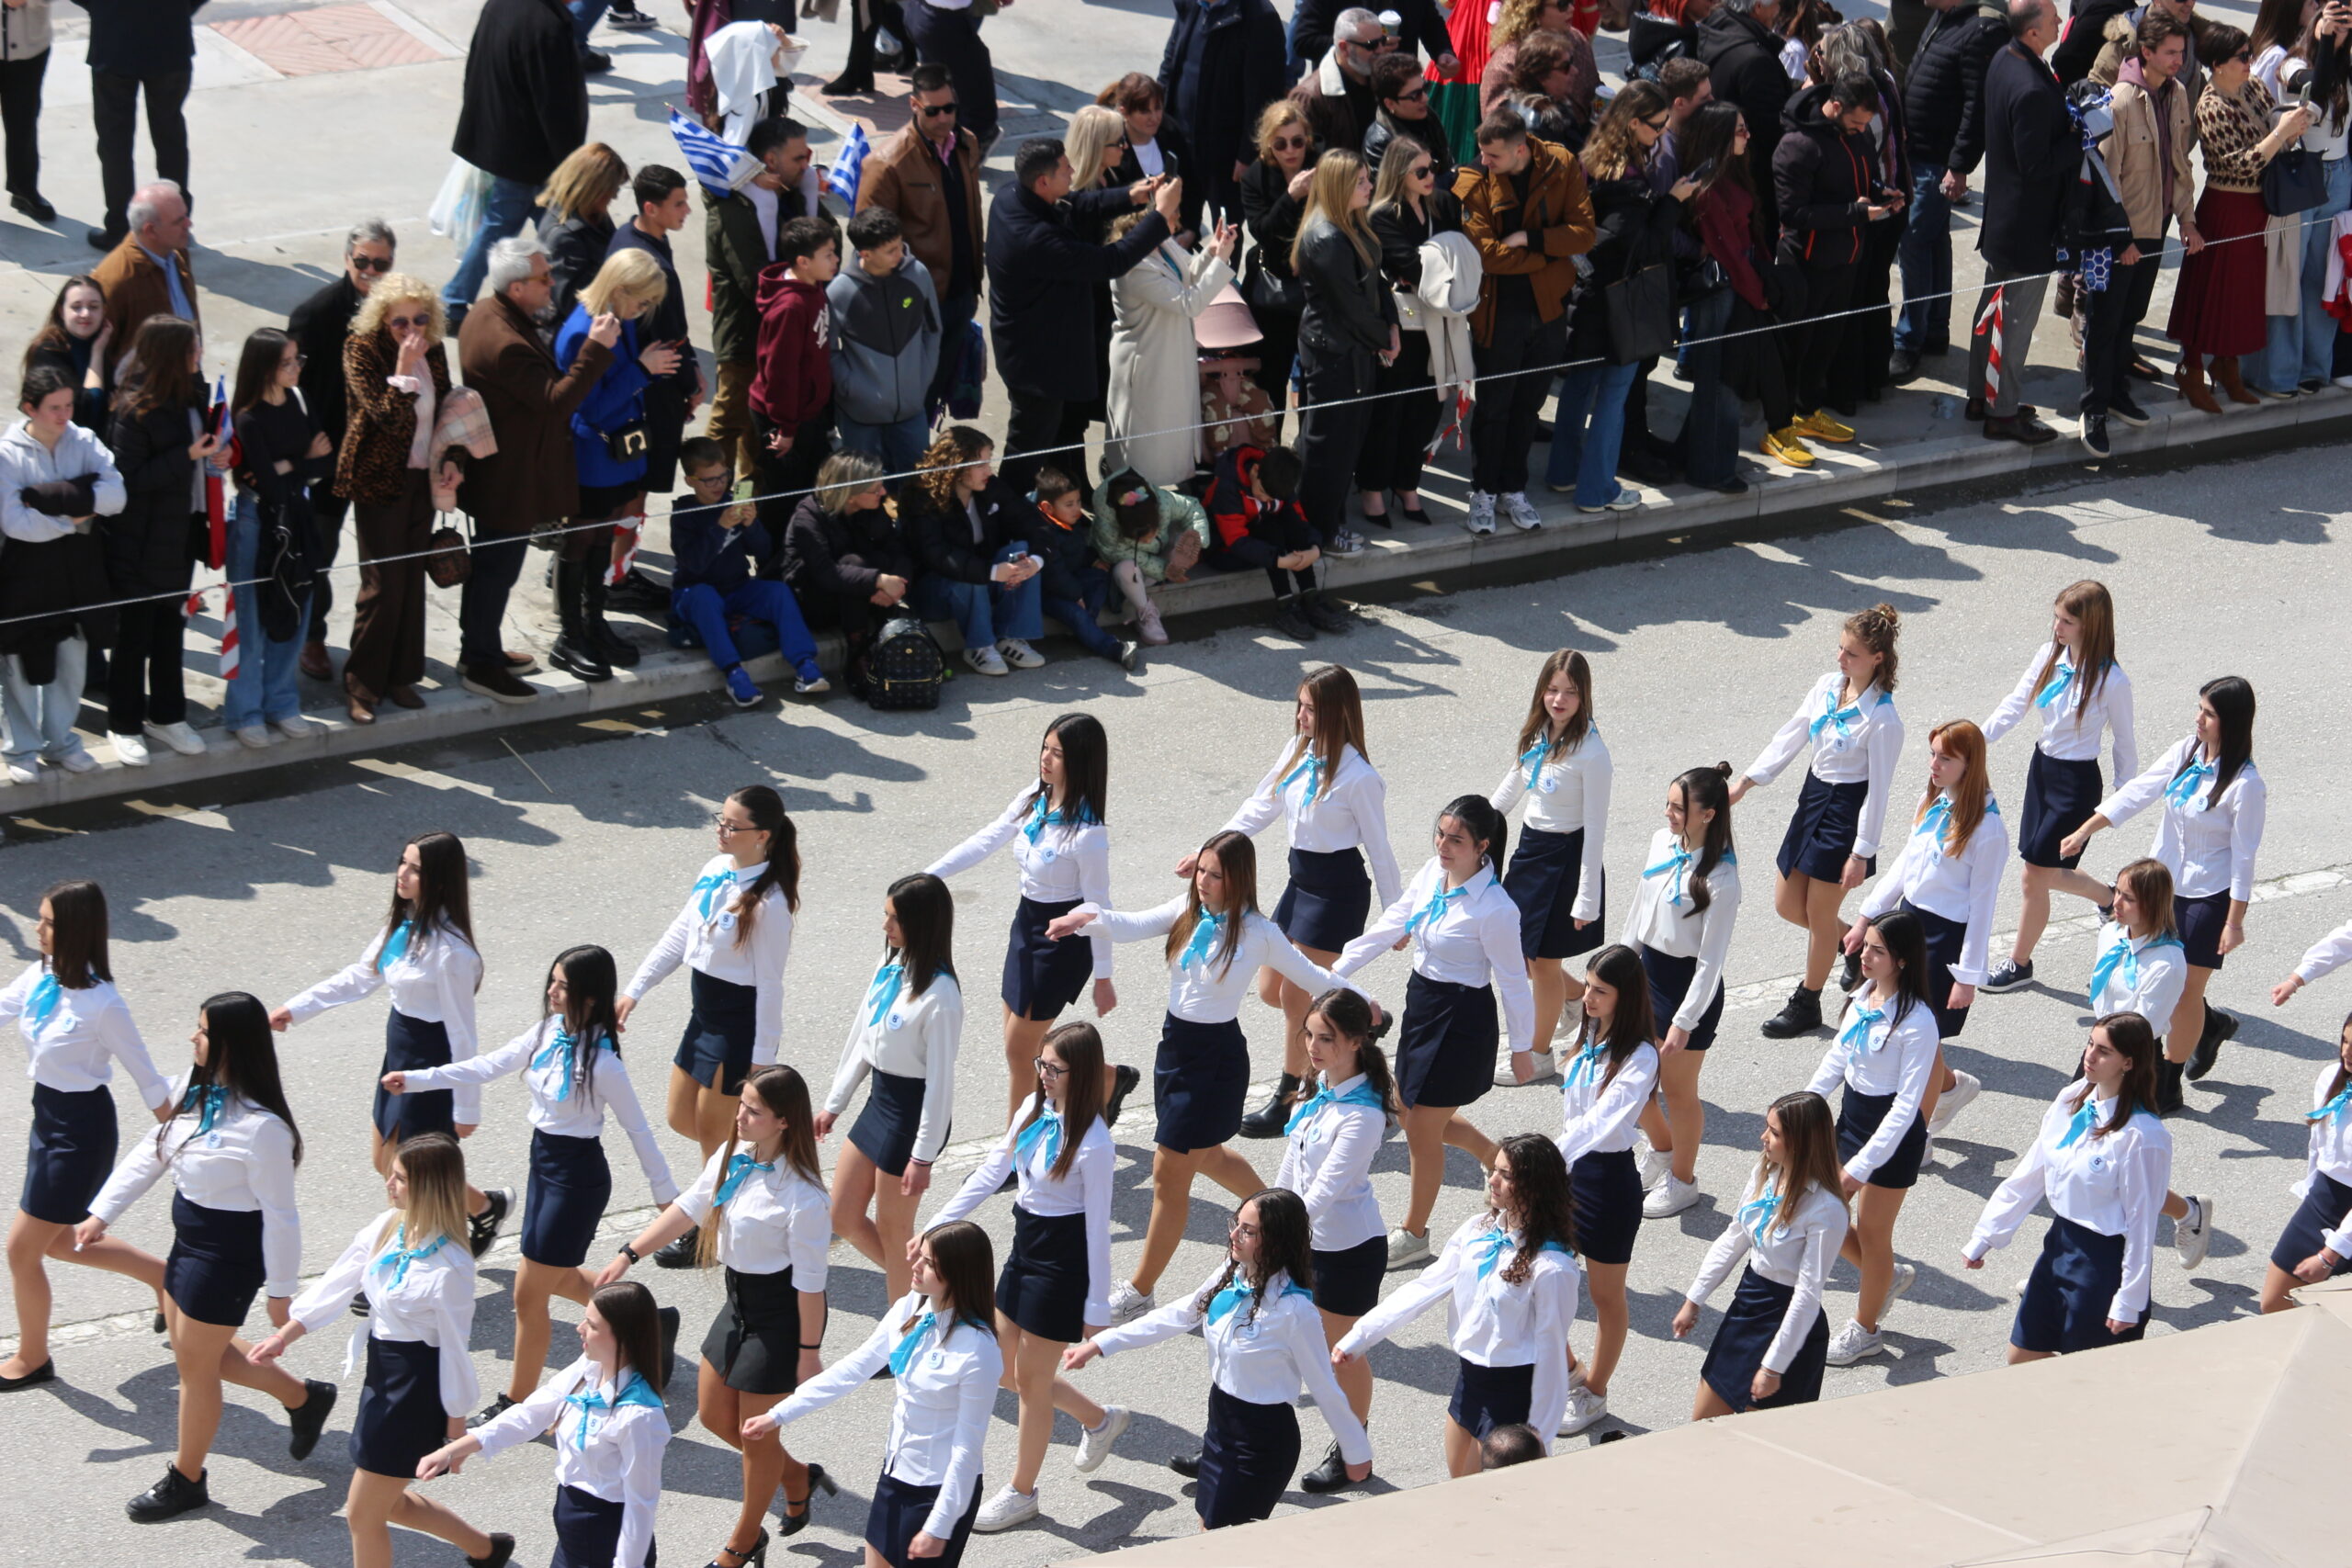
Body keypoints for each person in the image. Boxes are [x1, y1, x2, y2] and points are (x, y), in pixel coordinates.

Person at [1043, 830, 1365, 1320]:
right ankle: (1286, 1218)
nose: (1204, 882)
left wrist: (1363, 1001)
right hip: (1174, 1050)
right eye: (1201, 871)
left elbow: (1313, 976)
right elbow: (1130, 922)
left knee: (1168, 1174)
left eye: (1215, 875)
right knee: (1209, 1156)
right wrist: (1087, 919)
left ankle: (1140, 1289)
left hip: (1215, 1061)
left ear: (1239, 880)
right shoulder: (1187, 911)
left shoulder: (1259, 931)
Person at [382, 945, 678, 1422]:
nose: (551, 991)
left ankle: (516, 1403)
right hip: (542, 1164)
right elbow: (488, 1065)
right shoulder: (547, 1032)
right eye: (553, 981)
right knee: (555, 1276)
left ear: (587, 994)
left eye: (563, 985)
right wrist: (417, 1079)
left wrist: (665, 1196)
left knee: (528, 1293)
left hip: (577, 1179)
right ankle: (648, 1326)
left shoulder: (604, 1064)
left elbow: (637, 1128)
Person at [79, 992, 334, 1521]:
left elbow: (282, 1218)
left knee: (197, 1370)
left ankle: (187, 1478)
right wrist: (102, 1213)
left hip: (226, 1257)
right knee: (207, 1356)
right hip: (187, 1241)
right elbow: (151, 1152)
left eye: (201, 1031)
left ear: (229, 1046)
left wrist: (281, 1294)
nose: (192, 1038)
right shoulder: (194, 1095)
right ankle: (304, 1399)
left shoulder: (264, 1130)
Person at [598, 1066, 834, 1566]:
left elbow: (810, 1288)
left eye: (752, 1110)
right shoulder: (735, 1159)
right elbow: (687, 1210)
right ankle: (794, 1475)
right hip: (739, 1303)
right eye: (742, 1103)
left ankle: (745, 1541)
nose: (740, 1116)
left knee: (755, 1437)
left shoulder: (806, 1198)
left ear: (784, 1122)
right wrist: (627, 1254)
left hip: (782, 1318)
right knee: (711, 1415)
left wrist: (808, 1355)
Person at [251, 1134, 511, 1568]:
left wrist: (455, 1433)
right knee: (388, 1504)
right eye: (392, 1174)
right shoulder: (390, 1225)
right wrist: (285, 1336)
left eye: (400, 1178)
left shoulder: (451, 1268)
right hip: (382, 1376)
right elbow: (342, 1278)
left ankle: (487, 1549)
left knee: (361, 1514)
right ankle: (486, 1549)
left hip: (415, 1391)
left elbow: (453, 1351)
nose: (388, 1183)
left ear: (428, 1188)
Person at [928, 1022, 1125, 1532]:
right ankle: (1099, 1419)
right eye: (1041, 1064)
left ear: (1079, 1075)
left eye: (1054, 1069)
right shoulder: (1033, 1109)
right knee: (1000, 1367)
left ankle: (1022, 1493)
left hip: (1061, 1267)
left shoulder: (1095, 1145)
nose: (1042, 1075)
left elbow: (1098, 1231)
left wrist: (1096, 1309)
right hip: (1023, 1250)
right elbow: (994, 1170)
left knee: (1031, 1385)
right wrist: (937, 1225)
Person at [271, 829, 510, 1248]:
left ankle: (400, 1262)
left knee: (408, 1176)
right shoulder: (403, 926)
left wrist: (466, 1105)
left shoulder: (453, 953)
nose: (402, 874)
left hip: (431, 1065)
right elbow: (361, 976)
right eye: (403, 862)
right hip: (398, 1053)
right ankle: (483, 1208)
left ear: (438, 880)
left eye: (415, 869)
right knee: (386, 1161)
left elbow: (461, 1034)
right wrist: (296, 1009)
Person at [1074, 1189, 1372, 1522]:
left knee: (1224, 1536)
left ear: (1276, 1240)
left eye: (1247, 1230)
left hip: (1262, 1439)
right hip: (1220, 1423)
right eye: (1236, 1223)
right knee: (1207, 1524)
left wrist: (1354, 1450)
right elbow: (1179, 1314)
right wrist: (1105, 1342)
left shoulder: (1295, 1311)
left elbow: (1324, 1387)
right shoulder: (1232, 1273)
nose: (1233, 1235)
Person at [1334, 795, 1534, 1267]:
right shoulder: (1431, 874)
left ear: (1482, 846)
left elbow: (1512, 981)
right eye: (1440, 834)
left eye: (1456, 839)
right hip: (1423, 1004)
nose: (1443, 845)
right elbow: (1391, 926)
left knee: (1421, 1128)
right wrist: (1330, 976)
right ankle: (1494, 1155)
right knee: (1408, 1111)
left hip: (1461, 1021)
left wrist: (1523, 1047)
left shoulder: (1496, 909)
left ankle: (1415, 1232)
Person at [1211, 665, 1404, 1138]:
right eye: (1299, 705)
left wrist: (1398, 917)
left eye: (1311, 708)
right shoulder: (1299, 752)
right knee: (1270, 989)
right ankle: (1364, 1015)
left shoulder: (1360, 777)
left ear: (1336, 713)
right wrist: (1214, 848)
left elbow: (1380, 849)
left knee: (1296, 994)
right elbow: (1262, 804)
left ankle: (1289, 1097)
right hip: (1301, 884)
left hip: (1338, 891)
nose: (1300, 716)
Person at [2059, 677, 2266, 1106]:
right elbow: (2140, 791)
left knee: (2185, 989)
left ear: (2231, 722)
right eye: (2200, 709)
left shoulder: (2246, 785)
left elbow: (2245, 859)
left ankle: (2169, 1082)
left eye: (2208, 713)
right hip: (2163, 888)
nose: (2198, 719)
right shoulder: (2185, 751)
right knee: (2157, 979)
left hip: (2208, 897)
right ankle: (2208, 1026)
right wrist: (2087, 828)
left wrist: (2234, 922)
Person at [0, 879, 172, 1393]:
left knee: (21, 1251)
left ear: (74, 930)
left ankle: (33, 1358)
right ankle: (163, 1277)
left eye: (48, 922)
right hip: (46, 1120)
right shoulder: (42, 975)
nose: (38, 929)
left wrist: (183, 1136)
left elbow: (147, 1076)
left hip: (81, 1133)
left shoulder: (103, 1004)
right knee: (57, 1243)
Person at [617, 786, 801, 1265]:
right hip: (703, 1018)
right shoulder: (716, 871)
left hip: (736, 1028)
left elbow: (770, 987)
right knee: (684, 1118)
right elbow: (680, 933)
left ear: (761, 836)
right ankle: (756, 1180)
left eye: (732, 825)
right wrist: (634, 990)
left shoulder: (769, 905)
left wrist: (761, 1063)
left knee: (715, 1140)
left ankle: (711, 1238)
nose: (721, 830)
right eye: (720, 820)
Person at [1337, 1134, 1578, 1473]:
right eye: (1494, 1170)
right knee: (1461, 1492)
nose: (1492, 1180)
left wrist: (1540, 1433)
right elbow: (1425, 1287)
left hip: (1515, 1395)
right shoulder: (1476, 1231)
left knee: (1509, 1504)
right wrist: (1358, 1338)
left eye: (1507, 1175)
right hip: (1469, 1381)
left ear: (1536, 1187)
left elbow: (1553, 1354)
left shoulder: (1552, 1268)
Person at [926, 714, 1123, 1122]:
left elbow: (1096, 907)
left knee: (1019, 1053)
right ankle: (1104, 1079)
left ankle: (1016, 1147)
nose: (1045, 759)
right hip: (1025, 927)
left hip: (1061, 942)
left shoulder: (1088, 834)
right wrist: (931, 875)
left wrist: (1103, 977)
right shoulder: (1034, 797)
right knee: (1024, 1048)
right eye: (1044, 748)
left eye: (1058, 753)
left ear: (1081, 761)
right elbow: (988, 838)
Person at [1729, 604, 1906, 1041]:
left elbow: (1878, 792)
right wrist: (1746, 783)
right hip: (1812, 801)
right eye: (1841, 649)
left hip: (1844, 814)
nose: (1840, 660)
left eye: (1851, 654)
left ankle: (1807, 1002)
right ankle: (1853, 944)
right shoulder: (1828, 686)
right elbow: (1790, 735)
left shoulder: (1882, 719)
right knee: (1788, 905)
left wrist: (1862, 852)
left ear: (1877, 658)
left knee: (1819, 913)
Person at [456, 233, 611, 704]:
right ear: (517, 287)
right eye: (544, 277)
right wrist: (596, 350)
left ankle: (480, 648)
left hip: (502, 473)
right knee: (496, 572)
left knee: (491, 569)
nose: (552, 283)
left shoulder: (486, 312)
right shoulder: (506, 342)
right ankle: (480, 664)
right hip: (509, 481)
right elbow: (554, 404)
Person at [415, 1282, 671, 1568]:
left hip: (606, 1539)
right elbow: (531, 1414)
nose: (580, 1328)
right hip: (573, 1527)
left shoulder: (640, 1416)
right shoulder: (588, 1369)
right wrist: (455, 1448)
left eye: (592, 1325)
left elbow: (640, 1507)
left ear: (624, 1337)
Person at [1962, 1014, 2172, 1359]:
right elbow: (2031, 1172)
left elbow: (2142, 1223)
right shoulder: (2073, 1099)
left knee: (2086, 1379)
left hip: (2102, 1264)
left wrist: (2129, 1299)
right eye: (2090, 1044)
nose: (2089, 1055)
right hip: (2058, 1245)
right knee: (2023, 1356)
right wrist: (1987, 1234)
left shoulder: (2143, 1136)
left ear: (2129, 1063)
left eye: (2104, 1051)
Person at [988, 138, 1179, 499]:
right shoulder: (1035, 238)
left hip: (1038, 350)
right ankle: (1004, 514)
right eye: (1064, 168)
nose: (1073, 171)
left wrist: (1130, 196)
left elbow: (1073, 204)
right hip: (1037, 366)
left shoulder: (1012, 195)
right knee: (1028, 449)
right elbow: (1111, 262)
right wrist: (1158, 218)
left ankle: (1061, 504)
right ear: (1043, 181)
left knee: (1059, 434)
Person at [1850, 720, 2010, 1142]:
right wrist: (1868, 916)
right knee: (1914, 1033)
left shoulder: (1988, 830)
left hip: (1945, 941)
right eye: (1933, 753)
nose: (1934, 764)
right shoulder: (1932, 800)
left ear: (1969, 764)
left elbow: (1982, 909)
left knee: (1918, 1040)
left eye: (1946, 757)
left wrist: (1967, 977)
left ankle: (1913, 1138)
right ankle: (1951, 1090)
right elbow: (1906, 863)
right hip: (1908, 924)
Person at [1979, 581, 2139, 993]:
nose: (2057, 627)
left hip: (2076, 784)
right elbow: (2017, 703)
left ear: (2091, 625)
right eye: (2056, 617)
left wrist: (2118, 806)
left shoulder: (2112, 681)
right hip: (2042, 772)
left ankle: (2019, 964)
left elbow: (2125, 745)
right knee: (2045, 870)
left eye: (2067, 621)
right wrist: (1975, 741)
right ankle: (2107, 897)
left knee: (2034, 874)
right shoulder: (2049, 656)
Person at [1547, 83, 1698, 513]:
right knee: (1613, 395)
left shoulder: (1591, 160)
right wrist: (1672, 202)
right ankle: (1598, 490)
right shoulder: (1627, 183)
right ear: (1633, 124)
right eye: (1656, 127)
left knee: (1579, 384)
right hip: (1619, 299)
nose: (1662, 134)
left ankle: (1562, 473)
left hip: (1586, 291)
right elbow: (1638, 244)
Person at [819, 873, 965, 1309]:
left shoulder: (941, 997)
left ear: (921, 923)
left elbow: (941, 1083)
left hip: (911, 1115)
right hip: (878, 1103)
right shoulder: (891, 969)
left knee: (894, 1229)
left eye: (894, 919)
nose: (885, 927)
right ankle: (933, 1291)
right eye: (886, 916)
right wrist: (834, 1104)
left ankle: (901, 1327)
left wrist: (923, 1155)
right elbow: (862, 1041)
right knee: (841, 1215)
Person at [1802, 911, 1939, 1369]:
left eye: (1877, 950)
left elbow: (1905, 1108)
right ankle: (1884, 1278)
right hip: (1853, 1121)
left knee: (1874, 1232)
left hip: (1892, 1138)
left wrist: (1859, 1168)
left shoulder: (1918, 1023)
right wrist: (1802, 1109)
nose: (1864, 954)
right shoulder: (1863, 996)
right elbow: (1836, 1060)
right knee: (1825, 1210)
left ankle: (1867, 1330)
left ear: (1900, 960)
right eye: (1866, 946)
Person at [1273, 989, 1397, 1485]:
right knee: (1273, 1342)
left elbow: (1324, 1191)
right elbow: (1293, 1165)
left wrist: (1271, 1231)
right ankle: (1241, 1440)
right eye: (1309, 1035)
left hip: (1346, 1251)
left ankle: (1353, 1449)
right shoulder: (1319, 1085)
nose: (1312, 1046)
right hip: (1301, 1239)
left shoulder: (1363, 1115)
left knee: (1341, 1355)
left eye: (1325, 1038)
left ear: (1355, 1041)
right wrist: (1265, 1210)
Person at [1456, 112, 1595, 535]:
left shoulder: (1561, 164)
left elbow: (1584, 234)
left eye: (1493, 154)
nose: (1485, 160)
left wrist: (1530, 239)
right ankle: (1482, 490)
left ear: (1521, 148)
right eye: (1482, 151)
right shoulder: (1474, 182)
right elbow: (1486, 255)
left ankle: (1512, 489)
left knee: (1529, 405)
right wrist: (1548, 255)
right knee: (1494, 406)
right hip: (1498, 311)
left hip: (1548, 309)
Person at [334, 273, 462, 724]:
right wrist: (404, 371)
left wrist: (454, 458)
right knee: (381, 583)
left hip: (421, 477)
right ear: (381, 320)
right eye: (400, 322)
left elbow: (446, 406)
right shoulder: (361, 349)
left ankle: (401, 674)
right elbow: (384, 417)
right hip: (378, 480)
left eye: (420, 319)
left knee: (409, 578)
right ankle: (361, 684)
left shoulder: (436, 349)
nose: (411, 330)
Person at [1672, 1090, 1849, 1414]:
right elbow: (1734, 1236)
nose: (1763, 1137)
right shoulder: (1765, 1173)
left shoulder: (1827, 1210)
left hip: (1789, 1323)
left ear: (1801, 1143)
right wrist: (1694, 1299)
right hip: (1749, 1304)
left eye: (1775, 1132)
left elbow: (1807, 1296)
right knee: (1704, 1421)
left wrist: (1773, 1367)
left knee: (1758, 1446)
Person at [2169, 20, 2316, 408]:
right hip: (2226, 206)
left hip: (2258, 207)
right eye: (2242, 57)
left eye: (2249, 54)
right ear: (2218, 64)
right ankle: (2192, 367)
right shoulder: (2210, 105)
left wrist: (2294, 126)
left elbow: (2274, 129)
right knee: (2209, 290)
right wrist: (2281, 133)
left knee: (2243, 294)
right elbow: (2240, 164)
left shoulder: (2254, 87)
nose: (2250, 62)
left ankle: (2227, 364)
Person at [552, 247, 679, 682]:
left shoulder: (614, 320)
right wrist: (642, 371)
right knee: (580, 543)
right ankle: (570, 635)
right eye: (641, 302)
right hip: (592, 459)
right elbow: (589, 408)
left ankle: (593, 621)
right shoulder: (582, 331)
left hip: (616, 457)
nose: (642, 312)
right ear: (620, 290)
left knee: (602, 539)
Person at [1548, 946, 1657, 1435]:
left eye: (1599, 991)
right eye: (1588, 985)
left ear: (1625, 997)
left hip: (1608, 1181)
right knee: (1539, 1279)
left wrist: (1549, 1155)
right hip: (1569, 1173)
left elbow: (1605, 1119)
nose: (1587, 997)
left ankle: (1594, 1392)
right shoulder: (1588, 1030)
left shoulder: (1641, 1056)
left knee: (1604, 1295)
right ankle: (1570, 1370)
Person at [1628, 764, 1743, 1218]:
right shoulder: (1662, 842)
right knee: (1628, 1079)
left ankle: (1683, 1180)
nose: (1669, 813)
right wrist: (1617, 971)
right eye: (1670, 804)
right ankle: (1660, 1148)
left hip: (1686, 990)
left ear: (1709, 815)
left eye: (1679, 808)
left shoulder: (1722, 880)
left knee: (1677, 1092)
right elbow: (1639, 912)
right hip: (1645, 976)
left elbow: (1711, 963)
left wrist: (1682, 1022)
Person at [1490, 650, 1612, 1077]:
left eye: (1570, 692)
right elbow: (1513, 783)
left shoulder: (1592, 753)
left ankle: (1538, 1057)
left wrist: (1586, 898)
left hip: (1566, 859)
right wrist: (1476, 825)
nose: (1559, 700)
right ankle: (1575, 1000)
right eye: (1553, 689)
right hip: (1530, 853)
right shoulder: (1539, 732)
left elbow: (1595, 830)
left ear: (1584, 697)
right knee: (1526, 955)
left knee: (1542, 964)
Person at [1960, 0, 2076, 443]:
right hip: (2028, 227)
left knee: (1990, 313)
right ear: (2033, 32)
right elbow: (2038, 164)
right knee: (2014, 323)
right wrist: (2082, 138)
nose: (2061, 22)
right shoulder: (2028, 86)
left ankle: (1980, 396)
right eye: (2053, 19)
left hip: (2004, 218)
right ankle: (2002, 413)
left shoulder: (2005, 58)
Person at [100, 313, 212, 766]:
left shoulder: (191, 394)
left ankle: (167, 715)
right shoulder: (133, 410)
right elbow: (128, 479)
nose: (199, 357)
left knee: (171, 629)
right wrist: (186, 456)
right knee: (134, 636)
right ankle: (123, 724)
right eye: (191, 350)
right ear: (170, 356)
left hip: (180, 533)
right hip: (140, 541)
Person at [288, 220, 397, 682]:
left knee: (384, 555)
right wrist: (306, 448)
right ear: (347, 260)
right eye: (362, 262)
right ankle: (311, 633)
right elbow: (293, 389)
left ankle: (378, 646)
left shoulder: (400, 311)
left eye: (381, 264)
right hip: (331, 455)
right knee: (319, 551)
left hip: (382, 452)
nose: (370, 271)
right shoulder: (315, 314)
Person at [2077, 14, 2195, 440]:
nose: (2178, 61)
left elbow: (2179, 163)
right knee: (2103, 320)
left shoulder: (2177, 93)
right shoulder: (2121, 100)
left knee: (2129, 316)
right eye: (2170, 53)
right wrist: (2121, 239)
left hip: (2154, 225)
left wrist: (2187, 219)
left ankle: (2116, 392)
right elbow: (2106, 179)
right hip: (2119, 236)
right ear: (2145, 53)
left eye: (2181, 52)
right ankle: (2093, 409)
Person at [0, 366, 118, 783]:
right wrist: (76, 516)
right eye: (54, 408)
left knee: (72, 658)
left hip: (76, 574)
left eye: (69, 406)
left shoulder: (83, 440)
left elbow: (116, 495)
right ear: (30, 408)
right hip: (24, 577)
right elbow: (16, 523)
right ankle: (21, 748)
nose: (64, 415)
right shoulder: (7, 454)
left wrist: (51, 504)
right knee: (19, 662)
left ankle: (61, 741)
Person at [1771, 73, 1900, 444]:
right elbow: (1793, 214)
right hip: (1807, 263)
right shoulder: (1798, 145)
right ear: (1837, 107)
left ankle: (1808, 411)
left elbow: (1863, 180)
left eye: (1865, 125)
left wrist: (1881, 193)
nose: (1862, 130)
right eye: (1857, 122)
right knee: (1798, 345)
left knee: (1827, 343)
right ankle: (1781, 423)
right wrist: (1855, 214)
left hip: (1847, 258)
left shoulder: (1857, 136)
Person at [1893, 0, 2013, 382]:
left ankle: (1909, 340)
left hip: (1936, 161)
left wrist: (1959, 167)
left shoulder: (1980, 30)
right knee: (1931, 243)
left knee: (1915, 244)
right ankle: (1932, 330)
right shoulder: (1945, 16)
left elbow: (1976, 107)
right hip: (1921, 154)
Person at [446, 0, 589, 321]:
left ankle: (577, 294)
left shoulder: (502, 4)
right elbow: (556, 105)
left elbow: (475, 67)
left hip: (502, 140)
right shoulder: (548, 28)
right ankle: (454, 298)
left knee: (559, 228)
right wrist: (571, 163)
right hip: (530, 154)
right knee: (525, 226)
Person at [1679, 101, 1799, 480]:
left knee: (1722, 380)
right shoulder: (1709, 190)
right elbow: (1727, 253)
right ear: (1719, 138)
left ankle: (1695, 457)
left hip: (1741, 282)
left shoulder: (1730, 172)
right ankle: (1713, 470)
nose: (1748, 135)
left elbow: (1749, 233)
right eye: (1740, 130)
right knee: (1721, 383)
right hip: (1724, 290)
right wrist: (1757, 293)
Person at [857, 65, 987, 414]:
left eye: (950, 108)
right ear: (914, 104)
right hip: (917, 303)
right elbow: (866, 241)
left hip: (961, 291)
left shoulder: (966, 144)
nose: (944, 118)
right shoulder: (887, 163)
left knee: (944, 385)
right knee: (915, 396)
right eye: (934, 110)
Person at [667, 435, 831, 705]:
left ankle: (805, 665)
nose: (719, 485)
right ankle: (734, 673)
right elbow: (693, 564)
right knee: (704, 596)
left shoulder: (734, 499)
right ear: (690, 481)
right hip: (694, 593)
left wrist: (752, 525)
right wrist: (719, 528)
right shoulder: (684, 513)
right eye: (709, 480)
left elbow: (764, 552)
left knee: (777, 592)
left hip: (737, 587)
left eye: (723, 476)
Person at [223, 328, 327, 744]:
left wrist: (288, 466)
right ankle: (245, 712)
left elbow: (328, 462)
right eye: (287, 362)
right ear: (265, 367)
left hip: (297, 515)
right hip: (256, 520)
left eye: (297, 360)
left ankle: (282, 703)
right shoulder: (248, 417)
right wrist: (301, 462)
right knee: (251, 620)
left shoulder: (300, 400)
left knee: (295, 609)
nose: (296, 368)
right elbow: (263, 481)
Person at [1292, 149, 1395, 557]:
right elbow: (1350, 305)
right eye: (1362, 182)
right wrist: (1384, 339)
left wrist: (1392, 325)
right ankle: (1320, 532)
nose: (1370, 187)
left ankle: (1330, 523)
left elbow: (1376, 280)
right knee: (1326, 448)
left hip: (1354, 347)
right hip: (1334, 354)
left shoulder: (1350, 222)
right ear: (1339, 187)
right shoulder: (1326, 238)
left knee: (1345, 443)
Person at [1358, 135, 1461, 525]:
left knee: (1426, 410)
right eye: (1420, 171)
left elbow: (1457, 255)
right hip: (1402, 326)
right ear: (1399, 174)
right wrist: (1443, 272)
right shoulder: (1382, 215)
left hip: (1438, 324)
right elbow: (1409, 265)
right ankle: (1372, 488)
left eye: (1432, 166)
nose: (1431, 175)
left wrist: (1436, 272)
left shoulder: (1442, 205)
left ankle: (1407, 483)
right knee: (1390, 411)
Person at [2252, 0, 2352, 396]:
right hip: (2301, 174)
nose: (2341, 31)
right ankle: (2280, 374)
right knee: (2288, 277)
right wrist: (2325, 40)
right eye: (2333, 24)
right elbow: (2317, 87)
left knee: (2322, 276)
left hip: (2339, 175)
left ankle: (2315, 368)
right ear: (2313, 26)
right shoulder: (2290, 64)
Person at [706, 119, 814, 479]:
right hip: (744, 343)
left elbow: (827, 243)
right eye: (799, 157)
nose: (807, 165)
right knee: (731, 425)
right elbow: (757, 284)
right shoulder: (733, 212)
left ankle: (746, 506)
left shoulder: (793, 195)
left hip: (781, 339)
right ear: (770, 159)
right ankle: (710, 507)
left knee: (756, 437)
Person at [901, 424, 1049, 677]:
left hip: (981, 575)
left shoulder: (990, 487)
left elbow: (1031, 521)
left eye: (988, 462)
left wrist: (1035, 560)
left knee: (1021, 551)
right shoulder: (921, 497)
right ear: (956, 467)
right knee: (969, 577)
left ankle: (1010, 637)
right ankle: (979, 646)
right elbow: (937, 555)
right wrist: (992, 572)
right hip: (932, 590)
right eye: (980, 464)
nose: (988, 471)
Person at [1104, 210, 1238, 488]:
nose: (1177, 217)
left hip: (1171, 353)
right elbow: (1188, 302)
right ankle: (1137, 499)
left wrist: (1212, 252)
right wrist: (1222, 260)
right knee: (1147, 442)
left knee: (1169, 437)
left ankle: (1165, 496)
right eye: (1172, 211)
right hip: (1147, 361)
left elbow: (1187, 274)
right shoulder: (1133, 265)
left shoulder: (1161, 243)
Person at [606, 164, 704, 519]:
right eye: (678, 204)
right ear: (651, 208)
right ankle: (618, 571)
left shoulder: (628, 235)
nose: (687, 211)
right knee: (638, 487)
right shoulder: (654, 266)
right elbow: (669, 337)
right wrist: (691, 382)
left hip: (639, 383)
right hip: (653, 390)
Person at [780, 450, 918, 694]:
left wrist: (896, 584)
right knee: (854, 562)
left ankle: (880, 640)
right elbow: (827, 573)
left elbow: (898, 550)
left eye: (881, 486)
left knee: (877, 558)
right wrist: (878, 580)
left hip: (860, 594)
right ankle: (857, 653)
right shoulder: (808, 517)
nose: (883, 493)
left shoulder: (872, 508)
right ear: (850, 493)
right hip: (813, 600)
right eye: (875, 490)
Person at [831, 207, 944, 477]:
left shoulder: (918, 275)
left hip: (912, 412)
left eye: (900, 245)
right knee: (861, 491)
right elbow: (828, 351)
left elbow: (933, 330)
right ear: (866, 254)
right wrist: (851, 387)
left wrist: (921, 379)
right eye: (891, 250)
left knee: (918, 487)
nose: (901, 254)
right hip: (860, 418)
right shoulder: (839, 292)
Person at [75, 0, 196, 250]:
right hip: (170, 39)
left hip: (114, 41)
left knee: (115, 142)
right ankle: (175, 222)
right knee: (169, 136)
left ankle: (120, 227)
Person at [1158, 0, 1287, 228]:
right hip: (1180, 141)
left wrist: (1248, 154)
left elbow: (1265, 97)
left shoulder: (1260, 18)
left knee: (1226, 230)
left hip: (1225, 155)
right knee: (1177, 226)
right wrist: (1158, 113)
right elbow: (1172, 62)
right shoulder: (1191, 5)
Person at [748, 215, 842, 526]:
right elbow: (781, 374)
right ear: (803, 261)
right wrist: (786, 429)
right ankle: (772, 560)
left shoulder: (813, 288)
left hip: (806, 414)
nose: (836, 259)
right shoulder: (790, 307)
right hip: (783, 418)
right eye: (828, 254)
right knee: (782, 497)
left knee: (809, 489)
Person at [2259, 1011, 2352, 1311]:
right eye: (2345, 1041)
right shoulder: (2330, 1078)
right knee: (2273, 1305)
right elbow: (2318, 1145)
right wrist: (2309, 1188)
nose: (2347, 1052)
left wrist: (2329, 1254)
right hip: (2323, 1202)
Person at [1237, 101, 1319, 418]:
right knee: (1271, 378)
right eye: (1281, 143)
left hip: (1315, 286)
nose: (1291, 150)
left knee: (1315, 380)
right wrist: (1291, 196)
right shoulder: (1256, 177)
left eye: (1297, 141)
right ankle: (1271, 457)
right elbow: (1262, 231)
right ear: (1269, 143)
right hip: (1274, 295)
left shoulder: (1321, 165)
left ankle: (1309, 452)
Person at [1204, 440, 1336, 637]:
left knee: (1288, 523)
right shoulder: (1227, 486)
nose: (1266, 500)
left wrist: (1314, 548)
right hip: (1224, 550)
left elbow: (1299, 521)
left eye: (1272, 498)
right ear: (1255, 470)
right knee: (1271, 528)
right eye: (1263, 493)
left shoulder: (1277, 482)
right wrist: (1279, 561)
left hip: (1259, 540)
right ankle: (1285, 604)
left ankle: (1310, 595)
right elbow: (1236, 540)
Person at [1701, 0, 1796, 231]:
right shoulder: (1756, 60)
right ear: (1758, 7)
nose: (1780, 10)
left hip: (1723, 169)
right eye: (1776, 3)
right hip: (1752, 182)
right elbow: (1774, 133)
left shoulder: (1716, 26)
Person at [91, 182, 197, 380]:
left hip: (185, 380)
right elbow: (100, 352)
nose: (188, 224)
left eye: (186, 215)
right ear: (150, 231)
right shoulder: (115, 280)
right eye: (179, 220)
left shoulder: (176, 250)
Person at [1090, 469, 1206, 647]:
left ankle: (1179, 558)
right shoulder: (1107, 529)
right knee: (1126, 568)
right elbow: (1130, 558)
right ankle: (1146, 613)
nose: (1149, 539)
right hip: (1131, 573)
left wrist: (1200, 542)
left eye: (1152, 532)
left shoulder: (1163, 502)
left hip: (1160, 553)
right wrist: (1166, 571)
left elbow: (1193, 508)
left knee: (1182, 534)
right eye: (1142, 538)